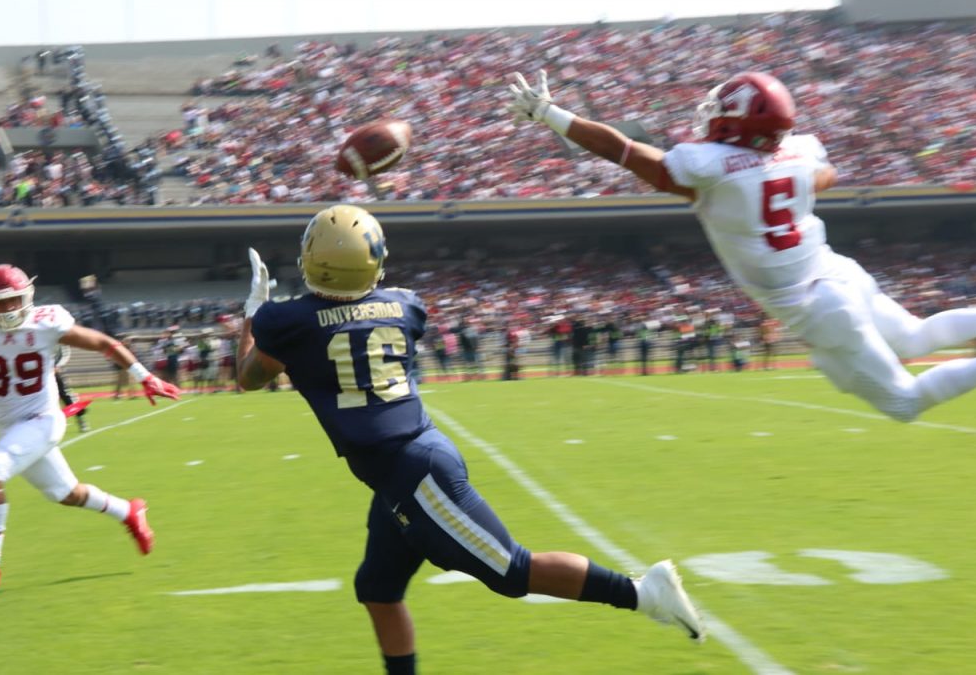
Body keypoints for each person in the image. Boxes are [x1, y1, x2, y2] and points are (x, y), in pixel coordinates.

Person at [236, 206, 705, 674]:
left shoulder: (286, 322)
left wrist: (253, 316)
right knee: (377, 588)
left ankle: (644, 593)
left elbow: (250, 377)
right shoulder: (404, 305)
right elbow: (352, 321)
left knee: (512, 571)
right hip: (407, 467)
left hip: (415, 476)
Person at [508, 70, 976, 423]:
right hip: (840, 272)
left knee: (904, 403)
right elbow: (824, 174)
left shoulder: (710, 167)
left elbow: (625, 152)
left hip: (819, 305)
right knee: (915, 337)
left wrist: (552, 114)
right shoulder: (801, 153)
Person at [0, 264, 181, 594]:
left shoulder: (45, 322)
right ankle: (128, 511)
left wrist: (146, 376)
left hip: (43, 420)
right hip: (11, 428)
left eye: (15, 300)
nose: (10, 308)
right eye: (1, 303)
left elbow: (102, 342)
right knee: (65, 493)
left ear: (27, 297)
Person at [53, 344, 89, 432]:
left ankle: (81, 419)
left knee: (65, 395)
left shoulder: (56, 336)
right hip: (39, 374)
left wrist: (57, 366)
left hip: (53, 371)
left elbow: (65, 352)